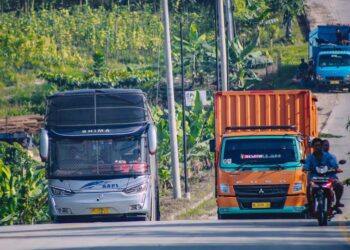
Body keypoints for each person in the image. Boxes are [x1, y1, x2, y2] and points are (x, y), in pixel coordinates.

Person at [304, 138, 344, 213]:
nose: (318, 147)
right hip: (315, 179)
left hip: (329, 178)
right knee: (309, 187)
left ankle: (337, 203)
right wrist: (306, 168)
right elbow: (306, 165)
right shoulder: (310, 157)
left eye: (319, 145)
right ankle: (310, 205)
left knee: (339, 185)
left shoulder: (328, 156)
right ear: (312, 146)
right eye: (316, 145)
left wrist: (335, 168)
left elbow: (334, 165)